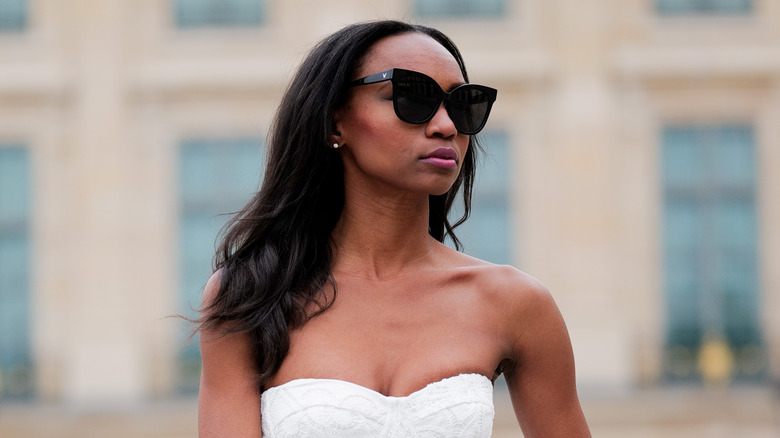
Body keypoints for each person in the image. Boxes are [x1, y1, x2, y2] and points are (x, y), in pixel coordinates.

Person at [196, 20, 591, 437]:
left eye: (462, 104)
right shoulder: (251, 294)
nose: (446, 126)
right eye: (411, 96)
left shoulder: (514, 303)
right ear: (335, 122)